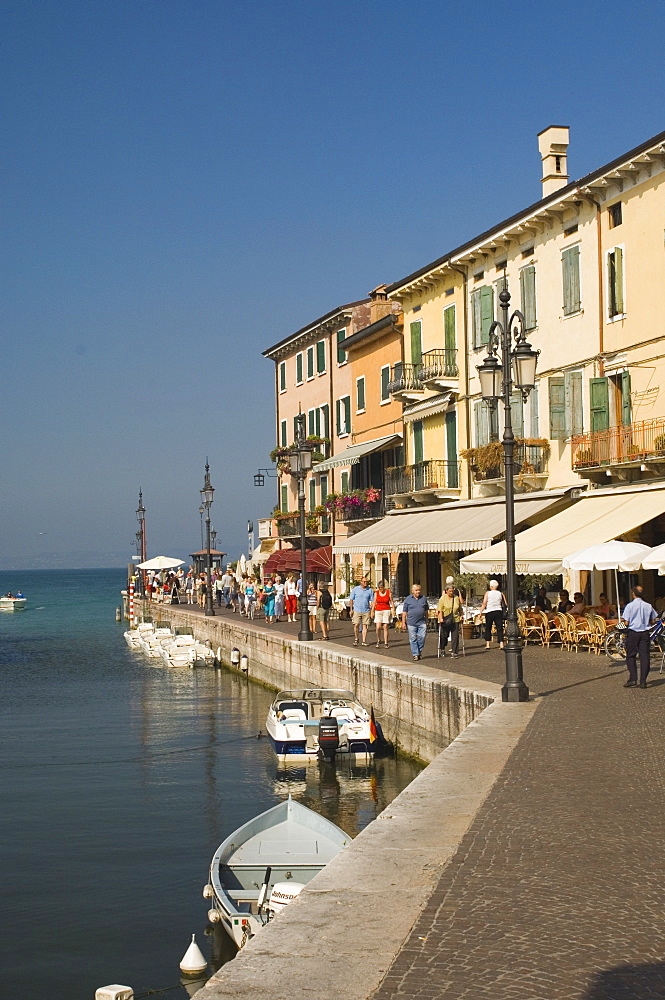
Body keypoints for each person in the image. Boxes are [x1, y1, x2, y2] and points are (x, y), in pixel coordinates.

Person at [622, 585, 657, 688]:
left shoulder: (629, 606)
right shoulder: (648, 606)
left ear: (633, 594)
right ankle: (643, 681)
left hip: (633, 632)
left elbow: (626, 622)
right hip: (644, 633)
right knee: (645, 656)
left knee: (631, 655)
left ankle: (633, 678)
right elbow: (653, 620)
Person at [401, 583, 429, 661]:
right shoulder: (408, 599)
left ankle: (418, 651)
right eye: (416, 590)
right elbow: (404, 611)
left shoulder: (423, 598)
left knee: (422, 637)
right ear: (412, 591)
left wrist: (427, 619)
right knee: (413, 639)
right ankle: (415, 654)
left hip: (422, 622)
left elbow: (426, 610)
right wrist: (403, 622)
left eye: (419, 590)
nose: (418, 592)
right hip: (411, 622)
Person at [437, 584, 463, 657]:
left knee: (455, 636)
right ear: (446, 591)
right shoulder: (443, 598)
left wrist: (461, 615)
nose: (451, 593)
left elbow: (460, 608)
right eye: (450, 591)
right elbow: (440, 609)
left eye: (452, 591)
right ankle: (442, 649)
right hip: (445, 619)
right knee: (444, 635)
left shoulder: (456, 598)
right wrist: (441, 618)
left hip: (455, 619)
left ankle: (455, 652)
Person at [480, 580, 506, 650]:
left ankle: (488, 644)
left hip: (490, 611)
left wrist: (481, 612)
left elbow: (484, 603)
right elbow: (505, 603)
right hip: (498, 611)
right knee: (499, 628)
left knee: (488, 628)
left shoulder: (488, 593)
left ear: (491, 586)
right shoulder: (501, 593)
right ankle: (501, 644)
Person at [349, 577, 374, 646]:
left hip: (366, 610)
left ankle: (364, 641)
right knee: (356, 624)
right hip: (357, 609)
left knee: (365, 626)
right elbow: (351, 599)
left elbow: (372, 601)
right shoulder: (356, 589)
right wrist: (351, 609)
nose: (365, 583)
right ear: (361, 582)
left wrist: (372, 610)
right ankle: (356, 638)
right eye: (364, 582)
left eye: (366, 582)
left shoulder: (370, 590)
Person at [371, 580, 394, 648]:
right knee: (378, 627)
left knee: (385, 626)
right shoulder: (376, 593)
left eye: (382, 587)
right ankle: (378, 639)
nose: (380, 589)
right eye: (379, 587)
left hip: (386, 610)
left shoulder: (388, 592)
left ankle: (386, 642)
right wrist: (372, 611)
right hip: (378, 610)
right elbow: (374, 602)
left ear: (384, 587)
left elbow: (391, 601)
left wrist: (393, 609)